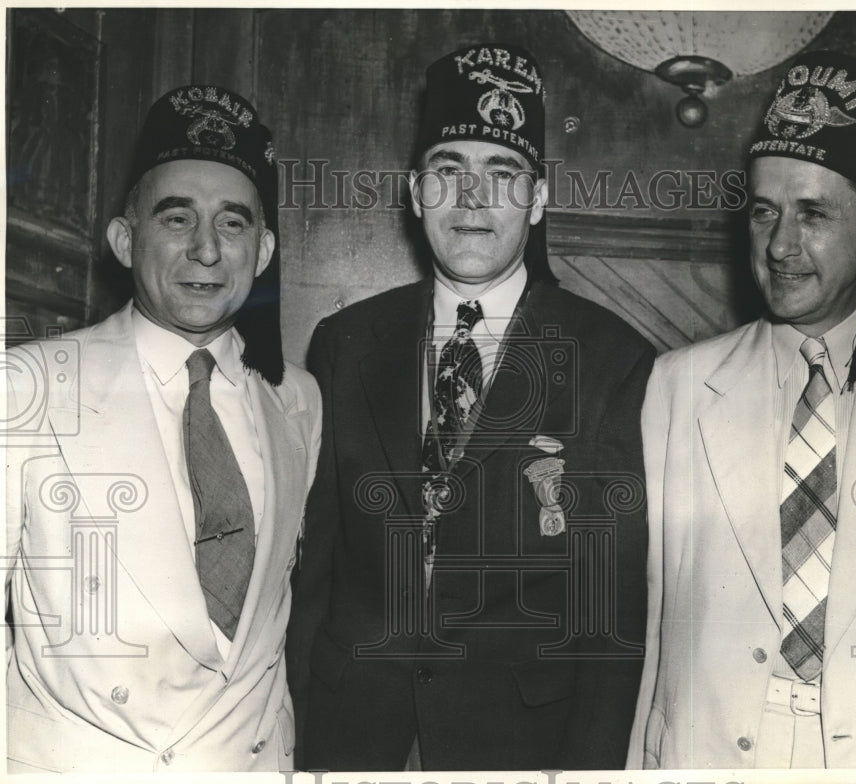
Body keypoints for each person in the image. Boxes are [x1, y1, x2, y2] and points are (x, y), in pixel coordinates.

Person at [288, 42, 654, 771]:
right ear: (417, 192)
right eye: (449, 171)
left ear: (540, 199)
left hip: (516, 742)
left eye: (502, 174)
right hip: (352, 732)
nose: (473, 198)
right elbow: (315, 574)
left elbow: (611, 611)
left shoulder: (612, 358)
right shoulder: (347, 342)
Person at [628, 51, 856, 769]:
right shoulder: (680, 387)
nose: (780, 246)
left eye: (813, 214)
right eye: (765, 213)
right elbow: (658, 633)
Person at [5, 85, 321, 772]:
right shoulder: (27, 386)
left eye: (233, 224)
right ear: (124, 239)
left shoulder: (296, 399)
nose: (206, 250)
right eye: (177, 219)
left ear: (263, 250)